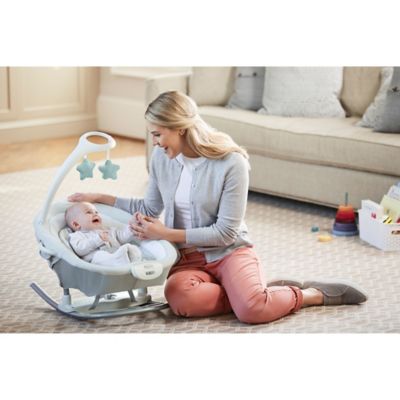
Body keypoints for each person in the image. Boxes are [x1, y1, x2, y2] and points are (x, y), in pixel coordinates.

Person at [68, 90, 367, 324]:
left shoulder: (232, 163)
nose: (155, 143)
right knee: (179, 299)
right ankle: (252, 293)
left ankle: (308, 294)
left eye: (158, 134)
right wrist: (100, 197)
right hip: (187, 258)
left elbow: (225, 232)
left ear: (179, 128)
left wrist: (166, 234)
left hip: (228, 251)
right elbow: (149, 206)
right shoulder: (162, 159)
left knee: (252, 312)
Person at [65, 201, 142, 266]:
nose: (95, 214)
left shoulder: (107, 229)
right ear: (76, 224)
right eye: (89, 212)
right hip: (97, 262)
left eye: (96, 212)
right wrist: (97, 240)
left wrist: (132, 227)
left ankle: (134, 260)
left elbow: (122, 237)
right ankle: (119, 260)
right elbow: (79, 249)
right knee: (100, 255)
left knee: (131, 248)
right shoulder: (77, 235)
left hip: (116, 253)